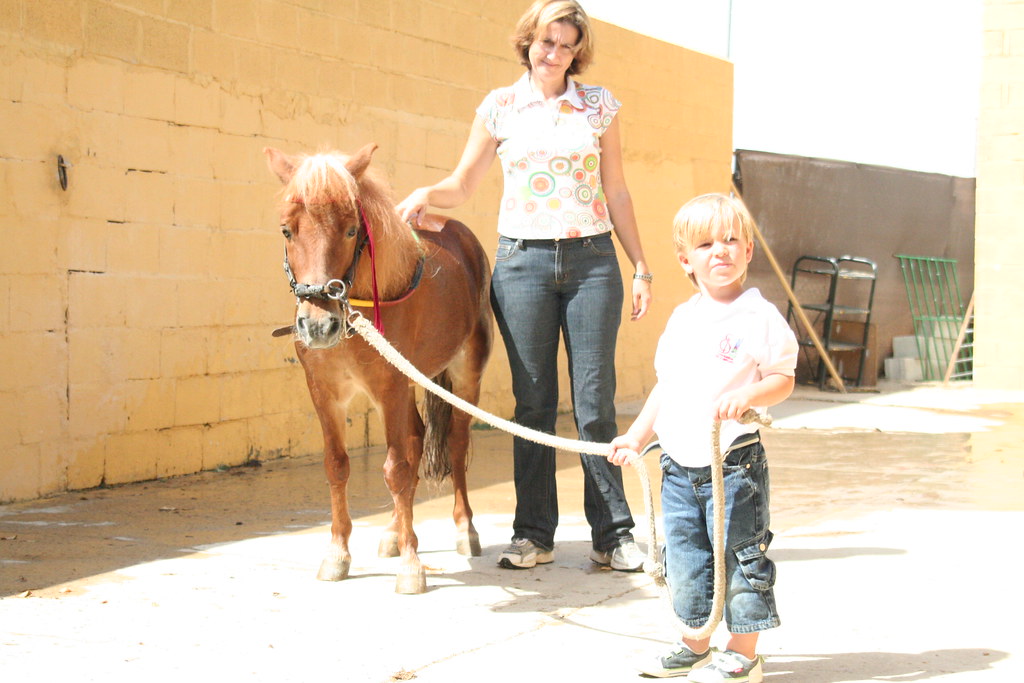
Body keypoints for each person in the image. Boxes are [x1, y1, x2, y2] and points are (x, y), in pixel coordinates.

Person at [397, 0, 652, 572]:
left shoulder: (599, 107)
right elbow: (463, 183)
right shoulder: (499, 108)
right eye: (546, 42)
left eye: (566, 45)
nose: (555, 54)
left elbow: (618, 191)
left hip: (592, 262)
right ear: (527, 42)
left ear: (577, 52)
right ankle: (533, 534)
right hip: (522, 266)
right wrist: (424, 196)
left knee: (594, 404)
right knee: (532, 404)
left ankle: (613, 536)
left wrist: (641, 266)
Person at [607, 194, 797, 681]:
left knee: (739, 555)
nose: (721, 251)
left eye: (732, 240)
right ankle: (696, 643)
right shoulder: (682, 319)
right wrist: (633, 436)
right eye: (706, 243)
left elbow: (783, 377)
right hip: (677, 467)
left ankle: (744, 652)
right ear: (685, 259)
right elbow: (665, 389)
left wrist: (751, 393)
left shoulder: (760, 317)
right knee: (686, 558)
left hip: (733, 464)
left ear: (749, 250)